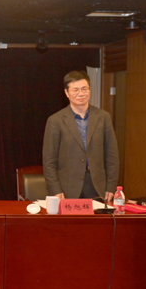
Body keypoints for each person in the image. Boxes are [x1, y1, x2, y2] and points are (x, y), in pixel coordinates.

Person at [42, 70, 119, 201]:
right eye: (75, 90)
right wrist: (55, 190)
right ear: (67, 93)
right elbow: (49, 161)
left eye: (84, 89)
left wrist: (111, 186)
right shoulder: (55, 120)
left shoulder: (103, 117)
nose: (81, 93)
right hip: (67, 188)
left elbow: (112, 156)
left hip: (97, 187)